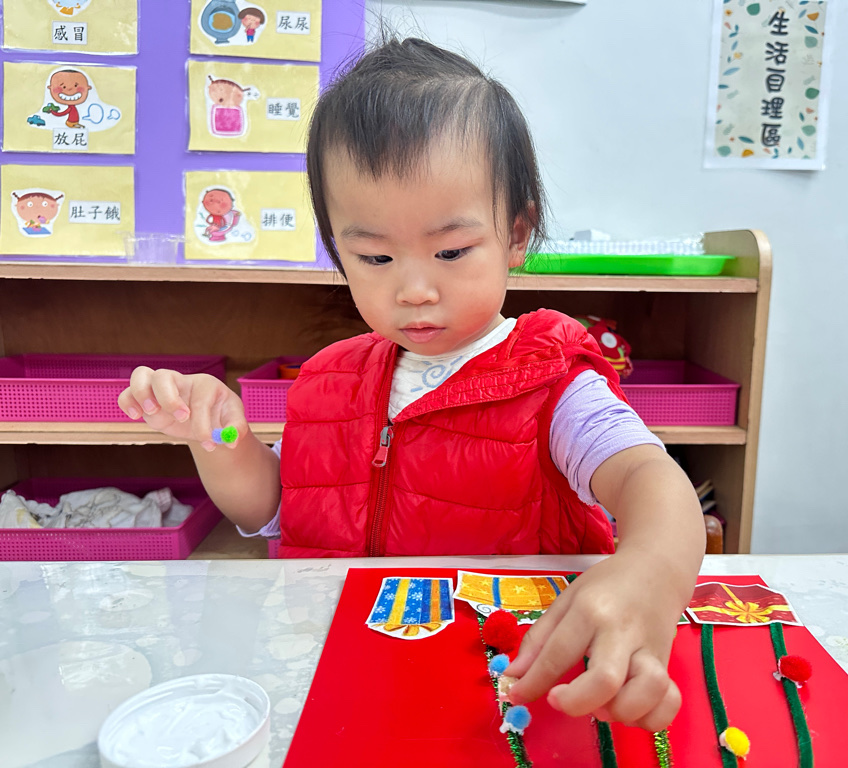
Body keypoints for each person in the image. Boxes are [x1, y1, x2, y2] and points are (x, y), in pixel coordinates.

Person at [118, 37, 705, 732]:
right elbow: (271, 507)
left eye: (451, 251)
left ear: (516, 235)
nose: (415, 289)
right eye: (375, 257)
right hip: (351, 672)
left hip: (504, 689)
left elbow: (645, 476)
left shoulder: (551, 380)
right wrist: (217, 434)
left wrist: (652, 568)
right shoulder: (329, 380)